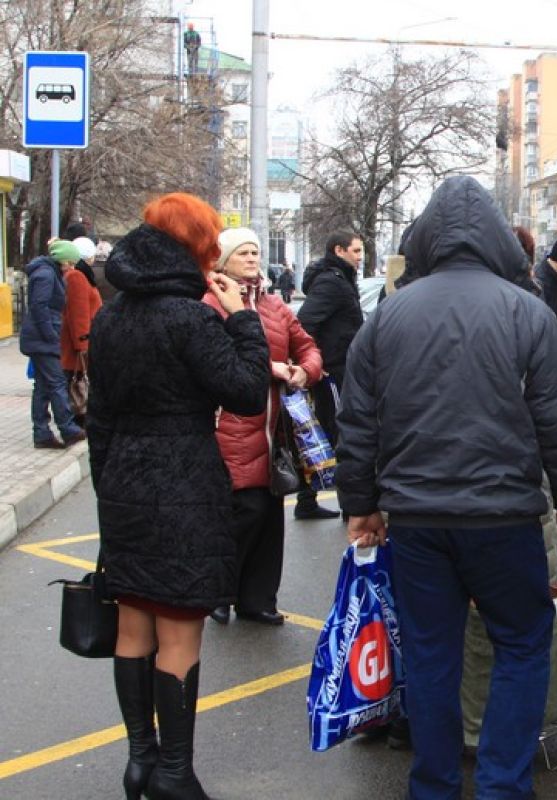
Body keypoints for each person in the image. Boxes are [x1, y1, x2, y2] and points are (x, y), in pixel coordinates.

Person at [337, 176, 557, 800]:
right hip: (503, 517)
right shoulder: (528, 311)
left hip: (417, 521)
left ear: (427, 239)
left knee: (430, 655)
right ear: (496, 240)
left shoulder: (388, 315)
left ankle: (433, 785)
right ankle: (503, 786)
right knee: (523, 643)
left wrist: (361, 505)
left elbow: (358, 419)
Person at [88, 193, 269, 800]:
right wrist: (240, 315)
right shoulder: (190, 316)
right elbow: (245, 391)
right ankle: (174, 773)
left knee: (133, 626)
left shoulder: (110, 317)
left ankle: (140, 761)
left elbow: (100, 418)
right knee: (179, 632)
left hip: (123, 484)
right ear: (194, 248)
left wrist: (109, 491)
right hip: (185, 481)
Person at [205, 228, 322, 627]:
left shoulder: (275, 306)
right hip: (231, 423)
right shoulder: (211, 303)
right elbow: (214, 357)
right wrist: (273, 369)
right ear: (223, 260)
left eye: (256, 251)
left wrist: (305, 372)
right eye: (243, 252)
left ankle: (256, 600)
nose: (253, 258)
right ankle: (220, 593)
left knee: (271, 515)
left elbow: (308, 347)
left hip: (277, 428)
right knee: (242, 511)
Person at [295, 231, 364, 519]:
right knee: (338, 434)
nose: (360, 257)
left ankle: (308, 500)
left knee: (327, 432)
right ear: (339, 250)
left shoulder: (339, 279)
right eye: (357, 251)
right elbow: (304, 322)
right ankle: (345, 505)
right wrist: (315, 359)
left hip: (337, 366)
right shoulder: (331, 282)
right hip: (333, 370)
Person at [20, 239, 87, 449]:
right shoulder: (46, 275)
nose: (72, 266)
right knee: (57, 383)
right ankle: (68, 428)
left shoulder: (48, 273)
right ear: (63, 260)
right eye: (71, 262)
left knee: (42, 386)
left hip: (40, 338)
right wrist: (51, 336)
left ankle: (42, 433)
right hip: (42, 339)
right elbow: (39, 307)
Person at [60, 237, 104, 425]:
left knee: (73, 381)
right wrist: (83, 343)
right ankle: (73, 417)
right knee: (75, 381)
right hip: (77, 342)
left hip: (78, 339)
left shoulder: (78, 275)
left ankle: (71, 416)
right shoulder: (77, 276)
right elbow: (79, 313)